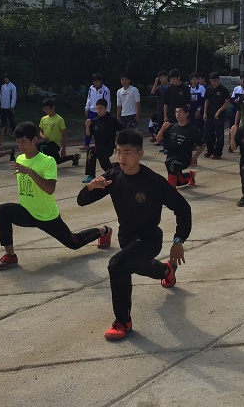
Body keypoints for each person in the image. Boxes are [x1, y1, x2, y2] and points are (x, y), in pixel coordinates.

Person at [77, 129, 192, 341]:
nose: (121, 157)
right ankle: (166, 270)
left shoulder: (153, 181)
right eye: (118, 152)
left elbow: (183, 208)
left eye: (127, 153)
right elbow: (81, 201)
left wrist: (178, 240)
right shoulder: (113, 176)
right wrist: (91, 188)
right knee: (138, 266)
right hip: (127, 239)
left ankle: (122, 322)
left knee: (117, 265)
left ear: (140, 154)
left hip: (149, 238)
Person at [0, 121, 112, 271]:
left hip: (47, 216)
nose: (20, 146)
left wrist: (30, 172)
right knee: (3, 210)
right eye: (18, 142)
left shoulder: (47, 161)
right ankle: (10, 255)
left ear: (34, 140)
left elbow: (50, 189)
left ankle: (104, 231)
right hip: (27, 211)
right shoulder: (20, 159)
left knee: (74, 243)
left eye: (23, 141)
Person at [156, 106, 204, 187]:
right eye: (176, 112)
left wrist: (195, 157)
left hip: (184, 158)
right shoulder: (172, 127)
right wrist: (162, 129)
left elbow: (202, 144)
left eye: (180, 112)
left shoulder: (192, 129)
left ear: (186, 114)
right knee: (179, 182)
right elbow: (158, 138)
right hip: (171, 157)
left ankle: (171, 190)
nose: (177, 114)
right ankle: (190, 175)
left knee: (170, 163)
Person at [82, 98, 123, 183]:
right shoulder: (95, 121)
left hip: (108, 147)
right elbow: (88, 134)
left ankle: (118, 167)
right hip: (99, 147)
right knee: (106, 167)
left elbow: (122, 129)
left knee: (93, 152)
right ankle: (92, 174)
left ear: (105, 108)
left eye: (101, 108)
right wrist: (87, 127)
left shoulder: (112, 120)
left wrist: (120, 145)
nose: (99, 110)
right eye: (97, 108)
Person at [38, 98, 79, 166]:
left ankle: (42, 163)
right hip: (46, 142)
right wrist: (42, 136)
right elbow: (40, 131)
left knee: (40, 146)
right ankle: (74, 157)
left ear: (53, 108)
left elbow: (64, 134)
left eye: (48, 109)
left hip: (55, 143)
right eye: (44, 109)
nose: (46, 111)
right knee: (57, 161)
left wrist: (63, 149)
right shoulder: (43, 119)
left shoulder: (59, 119)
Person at [203, 72, 230, 159]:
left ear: (218, 80)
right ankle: (210, 150)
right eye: (212, 81)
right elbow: (206, 101)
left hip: (219, 116)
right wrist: (205, 112)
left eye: (215, 81)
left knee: (219, 134)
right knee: (207, 133)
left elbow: (227, 102)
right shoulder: (209, 89)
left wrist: (219, 111)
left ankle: (218, 152)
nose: (214, 83)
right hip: (209, 115)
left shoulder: (223, 89)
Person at [81, 74, 111, 150]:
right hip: (92, 111)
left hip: (101, 112)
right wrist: (87, 108)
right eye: (94, 81)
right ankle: (86, 144)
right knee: (88, 126)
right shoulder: (91, 89)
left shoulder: (105, 90)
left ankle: (102, 143)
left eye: (97, 81)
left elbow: (108, 101)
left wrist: (107, 111)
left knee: (100, 128)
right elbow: (89, 99)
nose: (96, 83)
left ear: (100, 81)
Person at [0, 73, 18, 142]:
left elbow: (14, 97)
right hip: (3, 106)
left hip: (9, 106)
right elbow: (1, 95)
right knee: (3, 120)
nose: (5, 79)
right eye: (5, 78)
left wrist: (12, 106)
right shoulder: (3, 86)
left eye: (6, 78)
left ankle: (14, 131)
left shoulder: (12, 87)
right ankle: (4, 132)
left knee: (11, 120)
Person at [150, 71, 169, 139]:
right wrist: (156, 82)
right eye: (160, 78)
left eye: (162, 77)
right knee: (161, 126)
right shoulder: (159, 87)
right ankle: (162, 142)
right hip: (160, 109)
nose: (161, 79)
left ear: (166, 77)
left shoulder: (171, 86)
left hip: (169, 109)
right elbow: (152, 92)